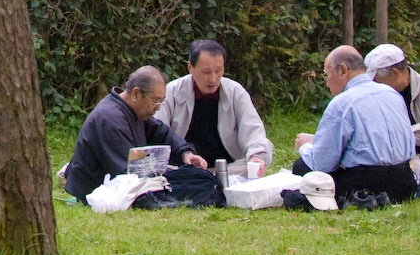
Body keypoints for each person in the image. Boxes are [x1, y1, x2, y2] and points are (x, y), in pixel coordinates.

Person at [288, 45, 416, 206]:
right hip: (404, 182)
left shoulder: (342, 103)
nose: (327, 83)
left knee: (301, 166)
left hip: (365, 185)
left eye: (326, 75)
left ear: (343, 70)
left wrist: (305, 147)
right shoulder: (392, 94)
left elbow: (322, 163)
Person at [64, 65, 208, 201]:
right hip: (96, 192)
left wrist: (185, 153)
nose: (158, 108)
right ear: (136, 94)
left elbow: (162, 133)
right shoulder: (110, 119)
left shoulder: (134, 111)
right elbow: (128, 173)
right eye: (155, 101)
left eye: (161, 101)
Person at [156, 39, 274, 172]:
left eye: (218, 71)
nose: (213, 79)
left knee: (255, 160)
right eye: (206, 72)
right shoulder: (172, 92)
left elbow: (253, 131)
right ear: (190, 67)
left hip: (229, 168)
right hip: (185, 167)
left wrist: (256, 156)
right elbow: (158, 132)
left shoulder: (235, 92)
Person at [365, 42, 420, 194]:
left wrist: (395, 137)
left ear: (395, 73)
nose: (375, 86)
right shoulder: (382, 96)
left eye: (377, 81)